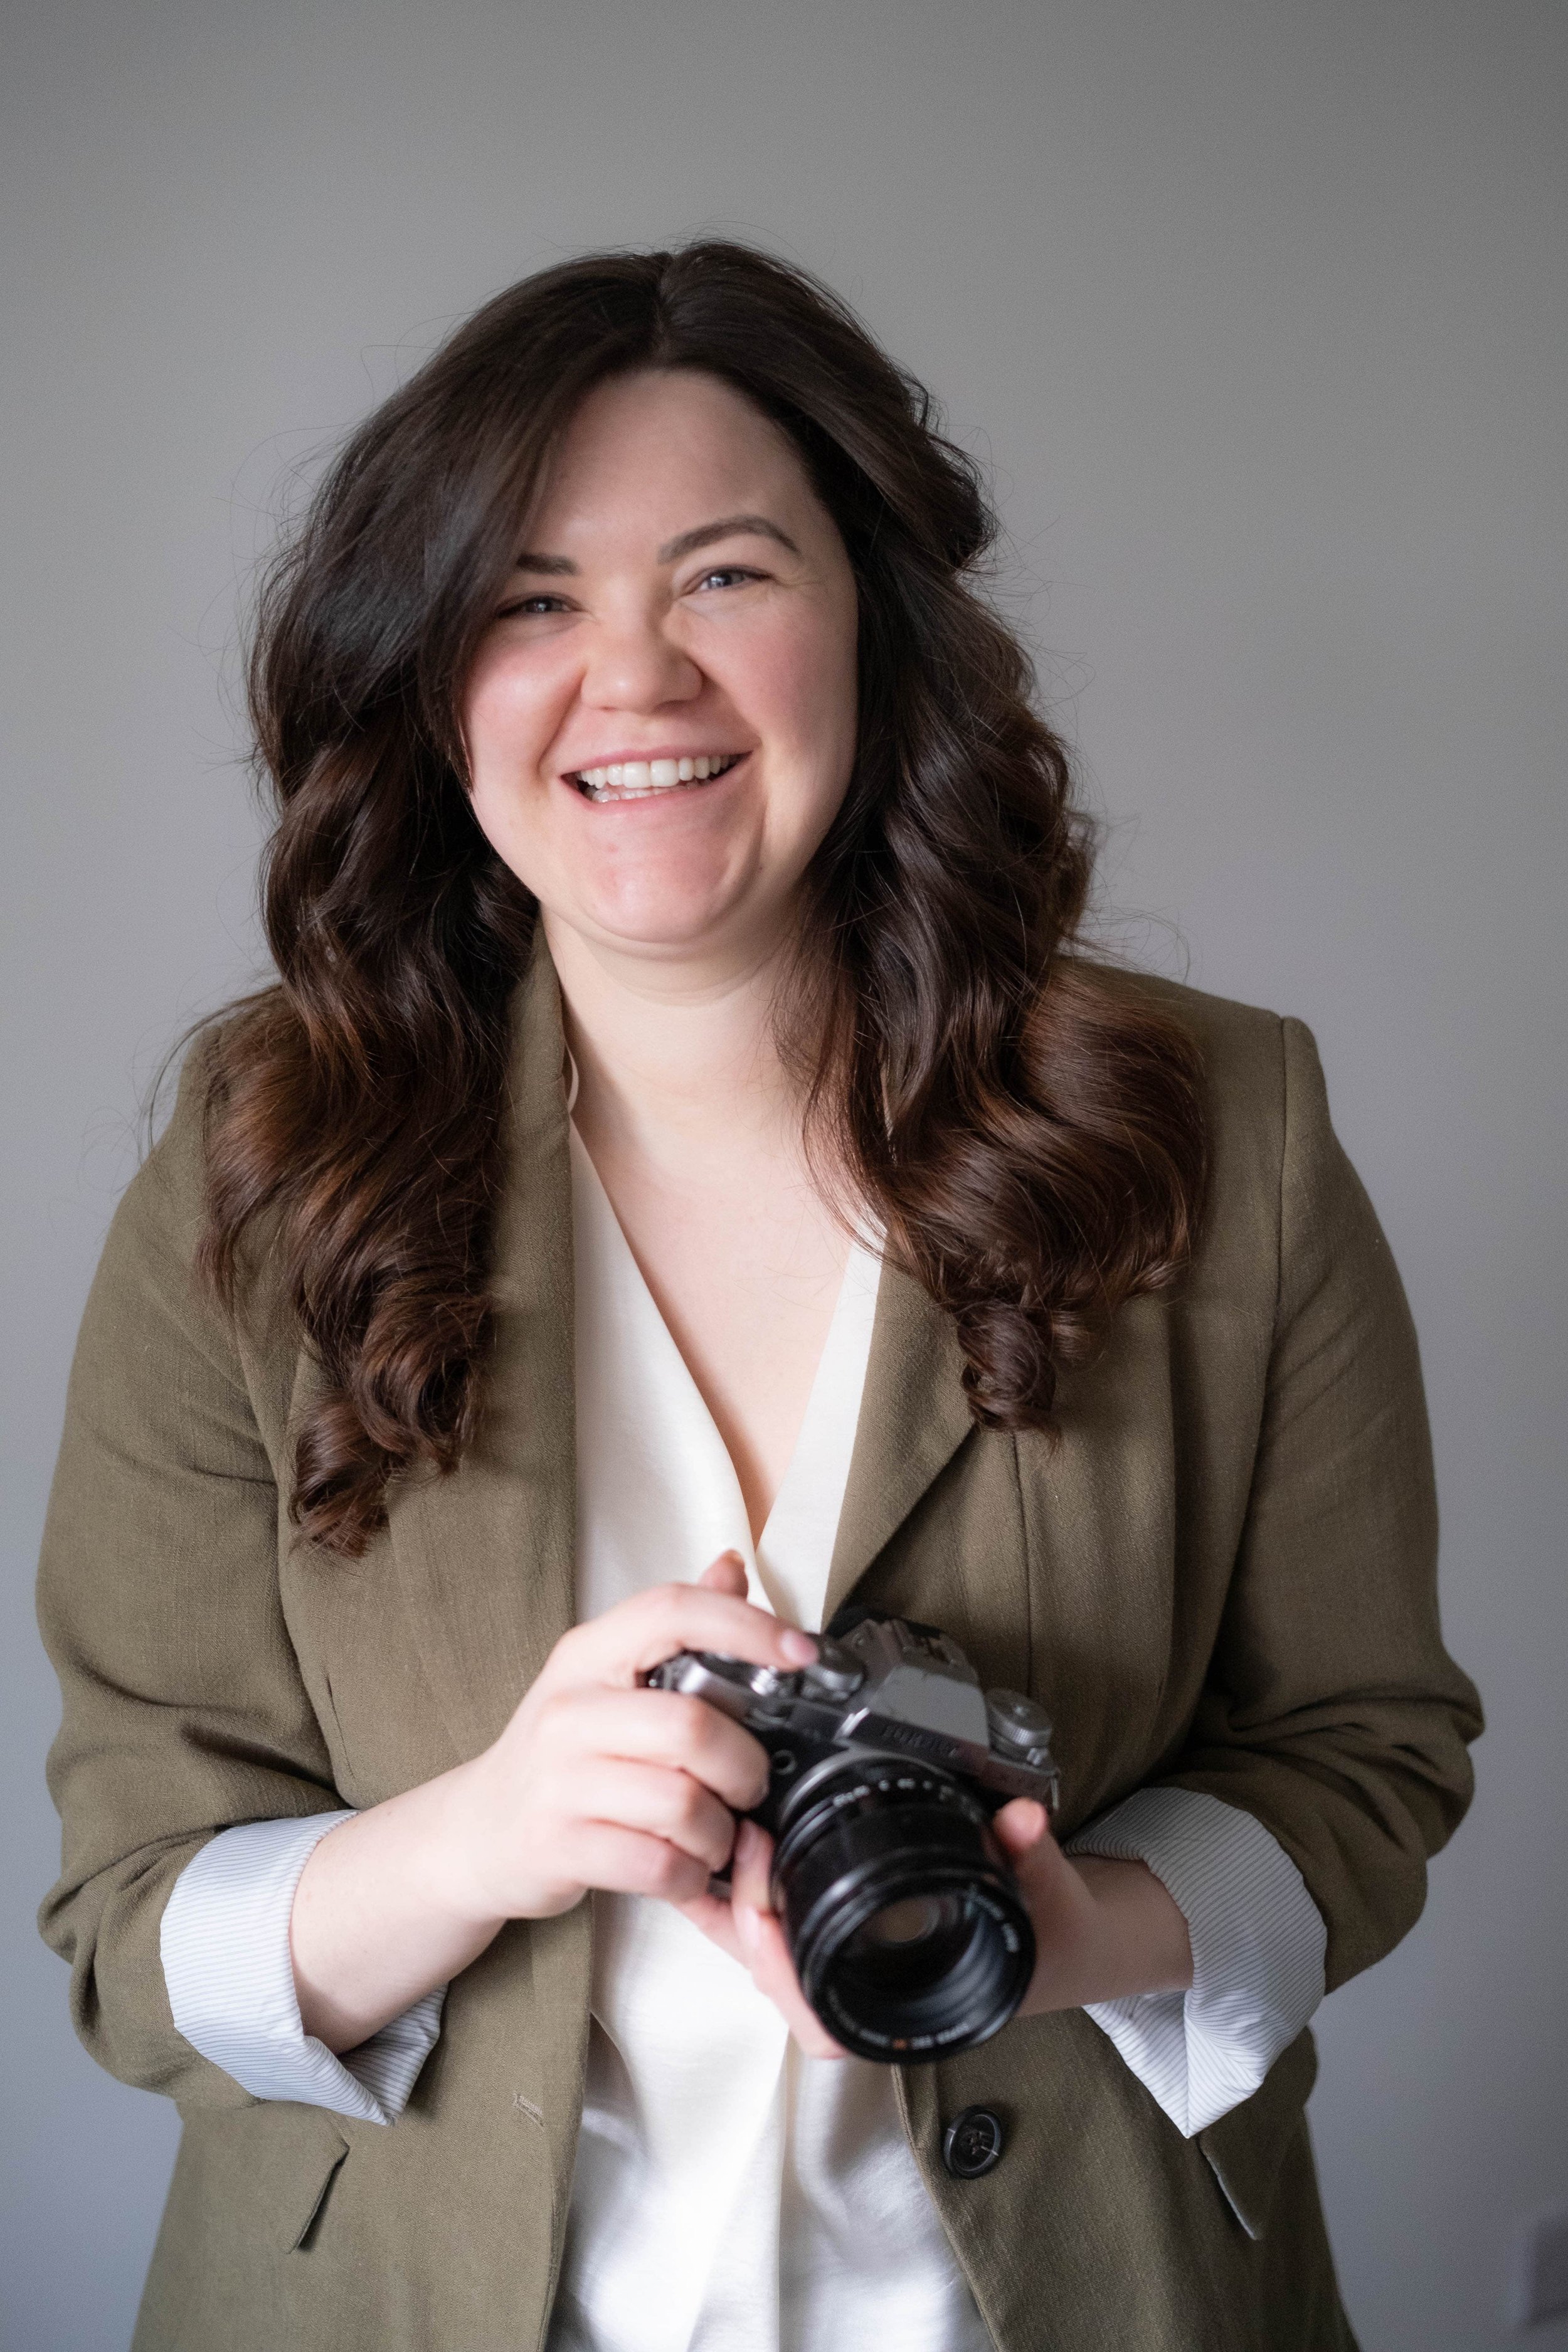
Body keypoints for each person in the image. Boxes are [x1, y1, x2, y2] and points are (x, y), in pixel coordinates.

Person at [38, 241, 1480, 2352]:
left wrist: (1083, 1931)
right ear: (430, 683)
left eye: (724, 577)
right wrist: (483, 1835)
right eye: (531, 599)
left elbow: (1363, 1753)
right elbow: (128, 1928)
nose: (632, 682)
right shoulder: (257, 1167)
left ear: (873, 636)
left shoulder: (1211, 1124)